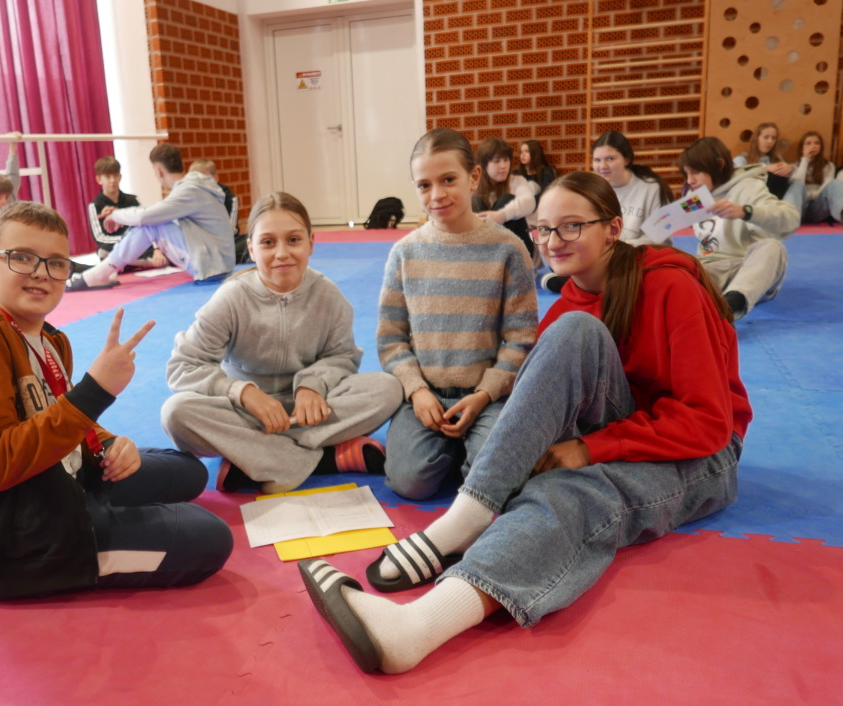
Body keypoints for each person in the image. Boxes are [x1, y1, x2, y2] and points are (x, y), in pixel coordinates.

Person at [297, 171, 751, 674]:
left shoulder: (670, 285)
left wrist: (590, 450)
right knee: (571, 343)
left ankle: (416, 625)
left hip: (703, 455)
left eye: (572, 226)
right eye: (543, 229)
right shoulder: (571, 302)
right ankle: (468, 517)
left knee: (570, 492)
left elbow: (708, 422)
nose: (554, 241)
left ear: (613, 228)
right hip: (626, 430)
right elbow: (538, 397)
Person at [0, 201, 232, 600]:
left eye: (56, 263)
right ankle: (81, 548)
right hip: (8, 541)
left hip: (56, 481)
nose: (40, 273)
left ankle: (98, 503)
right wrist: (96, 390)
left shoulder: (48, 339)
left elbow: (56, 412)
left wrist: (109, 443)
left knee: (187, 471)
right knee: (210, 538)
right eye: (22, 257)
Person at [161, 192, 403, 494]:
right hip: (245, 414)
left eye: (293, 240)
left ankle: (256, 457)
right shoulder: (230, 298)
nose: (281, 253)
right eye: (267, 242)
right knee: (176, 413)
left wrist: (312, 386)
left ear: (311, 243)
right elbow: (183, 366)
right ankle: (323, 459)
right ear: (251, 248)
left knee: (388, 388)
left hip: (309, 413)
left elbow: (341, 356)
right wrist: (243, 393)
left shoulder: (328, 296)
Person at [377, 128, 538, 501]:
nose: (436, 195)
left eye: (448, 179)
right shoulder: (404, 253)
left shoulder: (508, 249)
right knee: (409, 482)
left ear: (474, 177)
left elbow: (521, 337)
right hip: (427, 396)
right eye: (424, 185)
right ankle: (452, 451)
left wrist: (485, 394)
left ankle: (470, 450)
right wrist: (417, 391)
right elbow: (390, 338)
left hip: (487, 397)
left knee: (495, 484)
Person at [67, 143, 235, 290]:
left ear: (159, 171)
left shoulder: (189, 190)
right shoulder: (194, 187)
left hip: (212, 267)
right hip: (218, 262)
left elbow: (145, 217)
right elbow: (154, 211)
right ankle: (103, 271)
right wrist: (118, 214)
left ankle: (99, 274)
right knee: (155, 222)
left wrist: (115, 215)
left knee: (152, 224)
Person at [681, 136, 800, 321]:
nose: (690, 180)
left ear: (719, 165)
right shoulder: (694, 195)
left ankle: (731, 305)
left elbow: (791, 218)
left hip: (748, 268)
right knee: (678, 268)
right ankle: (706, 307)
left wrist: (745, 212)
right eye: (687, 173)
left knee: (773, 248)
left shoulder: (749, 186)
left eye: (695, 172)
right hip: (711, 269)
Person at [542, 130, 674, 293]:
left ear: (626, 159)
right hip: (605, 254)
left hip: (636, 255)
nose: (602, 166)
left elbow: (659, 238)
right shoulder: (593, 190)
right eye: (597, 160)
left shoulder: (651, 188)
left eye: (610, 159)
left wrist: (615, 248)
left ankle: (573, 283)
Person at [90, 155, 162, 267]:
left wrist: (156, 248)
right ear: (99, 179)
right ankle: (139, 262)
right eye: (107, 177)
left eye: (115, 176)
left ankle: (133, 262)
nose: (112, 180)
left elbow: (146, 225)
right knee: (104, 251)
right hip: (114, 247)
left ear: (120, 177)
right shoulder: (95, 205)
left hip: (136, 245)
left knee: (160, 250)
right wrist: (128, 240)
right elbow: (100, 238)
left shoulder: (132, 200)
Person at [471, 137, 538, 254]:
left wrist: (502, 216)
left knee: (506, 200)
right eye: (497, 161)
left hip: (519, 248)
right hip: (484, 250)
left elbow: (529, 202)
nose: (503, 166)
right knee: (474, 201)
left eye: (506, 160)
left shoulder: (517, 181)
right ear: (483, 165)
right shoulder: (472, 185)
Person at [788, 131, 843, 230]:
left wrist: (814, 195)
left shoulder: (828, 165)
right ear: (802, 147)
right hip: (800, 207)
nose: (813, 146)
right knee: (796, 185)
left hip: (819, 206)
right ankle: (788, 222)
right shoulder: (794, 166)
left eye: (816, 143)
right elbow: (798, 184)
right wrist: (805, 159)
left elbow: (827, 184)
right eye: (808, 143)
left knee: (836, 183)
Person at [189, 158, 249, 265]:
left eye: (204, 179)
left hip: (227, 244)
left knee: (249, 241)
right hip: (202, 245)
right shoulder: (191, 198)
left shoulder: (229, 198)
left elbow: (230, 231)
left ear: (215, 178)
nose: (201, 185)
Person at [732, 122, 804, 205]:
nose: (770, 141)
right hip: (754, 199)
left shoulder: (777, 159)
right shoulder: (742, 159)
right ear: (756, 138)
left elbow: (795, 178)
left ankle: (787, 212)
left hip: (777, 199)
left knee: (798, 185)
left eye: (773, 138)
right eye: (766, 137)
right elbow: (736, 179)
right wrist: (764, 169)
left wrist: (791, 168)